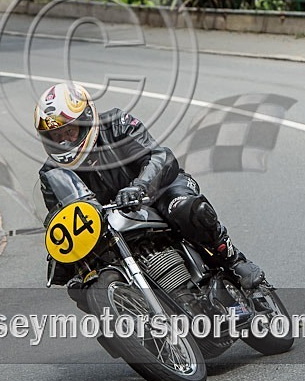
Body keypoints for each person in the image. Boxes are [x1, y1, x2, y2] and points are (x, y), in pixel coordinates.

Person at [34, 82, 265, 291]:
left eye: (69, 132)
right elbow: (61, 217)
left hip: (157, 191)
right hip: (108, 223)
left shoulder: (116, 124)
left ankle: (234, 261)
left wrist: (140, 187)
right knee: (80, 283)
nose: (64, 141)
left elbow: (158, 157)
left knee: (185, 208)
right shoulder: (50, 173)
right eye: (56, 136)